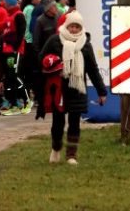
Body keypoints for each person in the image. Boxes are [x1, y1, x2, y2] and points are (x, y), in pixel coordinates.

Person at [38, 11, 107, 165]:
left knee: (74, 123)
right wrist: (51, 62)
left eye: (77, 27)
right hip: (58, 89)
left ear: (81, 28)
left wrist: (102, 91)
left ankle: (71, 155)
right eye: (71, 26)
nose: (74, 30)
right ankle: (56, 149)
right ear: (66, 26)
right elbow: (40, 58)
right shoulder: (54, 41)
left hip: (77, 89)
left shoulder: (85, 45)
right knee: (58, 123)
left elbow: (93, 70)